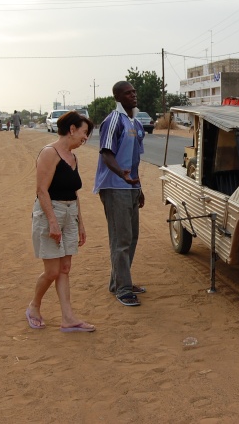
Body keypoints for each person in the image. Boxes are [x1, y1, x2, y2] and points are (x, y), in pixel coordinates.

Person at [26, 111, 96, 333]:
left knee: (65, 268)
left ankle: (68, 318)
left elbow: (74, 194)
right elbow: (41, 190)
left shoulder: (73, 158)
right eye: (84, 133)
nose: (85, 138)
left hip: (70, 213)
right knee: (53, 270)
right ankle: (34, 306)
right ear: (72, 129)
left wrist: (80, 224)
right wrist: (53, 222)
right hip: (51, 213)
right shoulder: (49, 153)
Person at [93, 81, 146, 307]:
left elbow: (134, 159)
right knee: (120, 239)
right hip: (115, 187)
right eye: (128, 93)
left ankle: (120, 281)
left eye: (134, 91)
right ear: (118, 97)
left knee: (131, 237)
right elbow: (106, 153)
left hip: (130, 187)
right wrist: (122, 176)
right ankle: (123, 289)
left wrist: (138, 187)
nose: (133, 95)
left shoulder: (135, 122)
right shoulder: (113, 120)